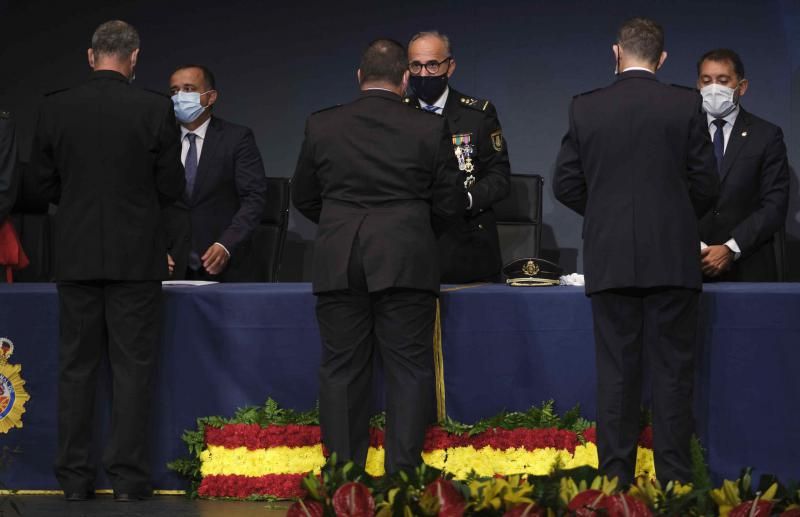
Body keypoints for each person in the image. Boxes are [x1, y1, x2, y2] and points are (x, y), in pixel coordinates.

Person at [553, 18, 718, 486]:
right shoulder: (685, 103)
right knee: (672, 375)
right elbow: (707, 184)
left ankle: (614, 483)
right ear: (662, 58)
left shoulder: (585, 107)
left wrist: (606, 214)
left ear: (616, 53)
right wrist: (675, 217)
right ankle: (674, 483)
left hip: (610, 260)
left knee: (617, 375)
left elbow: (566, 184)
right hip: (672, 259)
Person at [292, 38, 462, 474]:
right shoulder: (427, 126)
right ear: (406, 78)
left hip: (339, 260)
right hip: (406, 260)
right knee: (408, 369)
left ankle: (344, 478)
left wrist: (340, 225)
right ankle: (402, 475)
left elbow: (305, 198)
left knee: (342, 369)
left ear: (358, 77)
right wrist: (413, 231)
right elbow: (448, 203)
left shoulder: (322, 124)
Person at [30, 20, 184, 501]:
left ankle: (74, 482)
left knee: (76, 370)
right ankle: (128, 482)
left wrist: (75, 201)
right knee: (133, 372)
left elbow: (39, 186)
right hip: (135, 261)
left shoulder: (56, 107)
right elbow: (171, 188)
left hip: (75, 256)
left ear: (90, 56)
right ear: (134, 58)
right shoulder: (155, 108)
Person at [404, 31, 510, 283]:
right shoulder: (398, 113)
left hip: (467, 240)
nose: (423, 73)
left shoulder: (477, 114)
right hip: (411, 245)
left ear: (449, 67)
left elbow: (499, 177)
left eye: (432, 65)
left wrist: (467, 199)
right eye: (416, 65)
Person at [164, 64, 268, 281]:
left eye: (189, 89)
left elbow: (254, 198)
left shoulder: (237, 138)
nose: (180, 97)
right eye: (174, 91)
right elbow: (145, 201)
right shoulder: (161, 140)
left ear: (211, 97)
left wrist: (226, 244)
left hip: (225, 266)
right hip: (171, 266)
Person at [696, 49, 790, 281]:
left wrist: (731, 248)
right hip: (689, 266)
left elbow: (775, 204)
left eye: (723, 80)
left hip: (748, 265)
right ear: (698, 84)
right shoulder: (683, 133)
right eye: (706, 81)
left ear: (742, 86)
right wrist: (695, 247)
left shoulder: (766, 135)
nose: (713, 88)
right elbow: (668, 197)